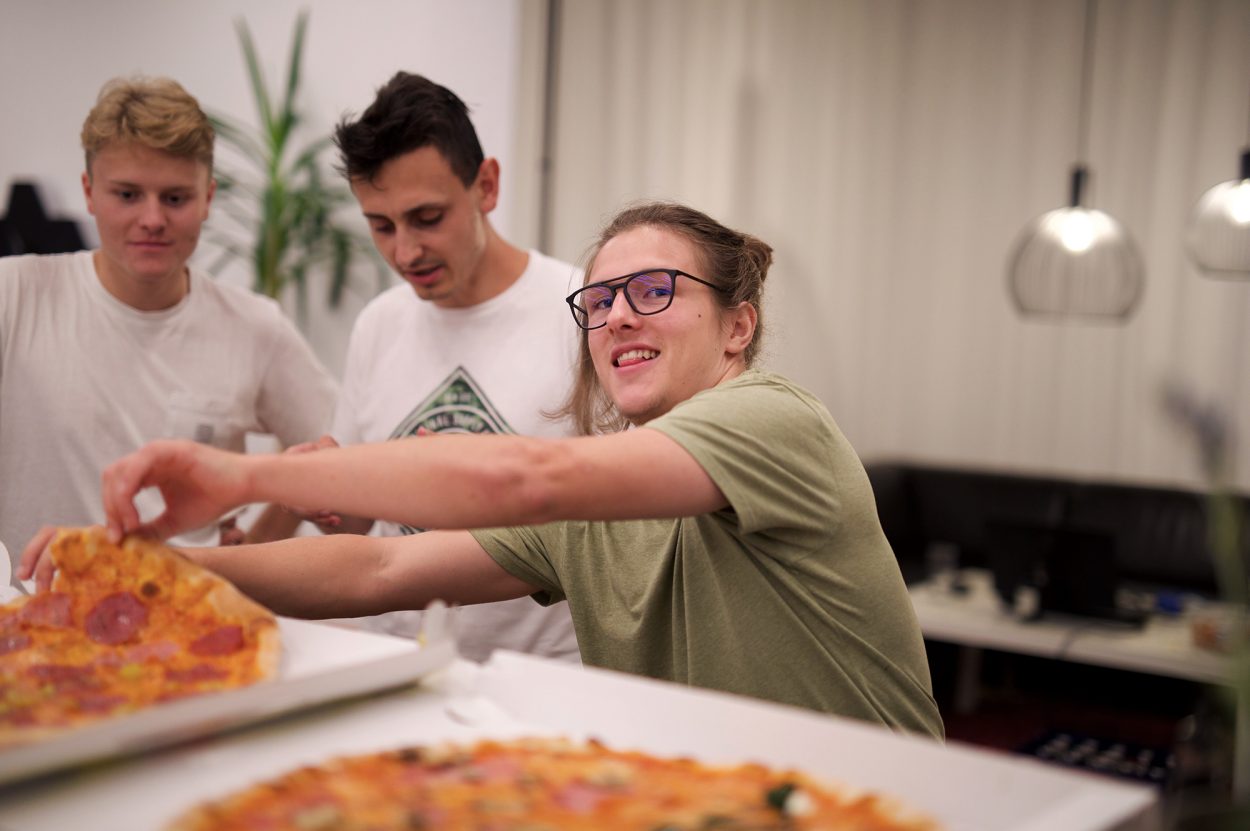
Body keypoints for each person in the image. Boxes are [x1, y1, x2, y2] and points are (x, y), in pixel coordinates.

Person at [23, 201, 944, 738]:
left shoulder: (773, 421)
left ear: (737, 326)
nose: (617, 316)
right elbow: (379, 567)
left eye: (654, 290)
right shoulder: (601, 494)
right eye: (600, 300)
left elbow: (522, 477)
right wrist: (162, 571)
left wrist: (245, 477)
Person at [286, 72, 581, 663]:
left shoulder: (582, 310)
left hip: (542, 676)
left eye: (427, 217)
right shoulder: (379, 324)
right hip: (392, 666)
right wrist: (323, 494)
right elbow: (360, 526)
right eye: (381, 226)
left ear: (487, 186)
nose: (404, 252)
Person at [0, 76, 337, 582]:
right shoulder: (14, 296)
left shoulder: (254, 326)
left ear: (208, 198)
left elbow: (340, 479)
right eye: (128, 195)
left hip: (190, 624)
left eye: (176, 198)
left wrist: (250, 549)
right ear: (90, 193)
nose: (152, 219)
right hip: (37, 626)